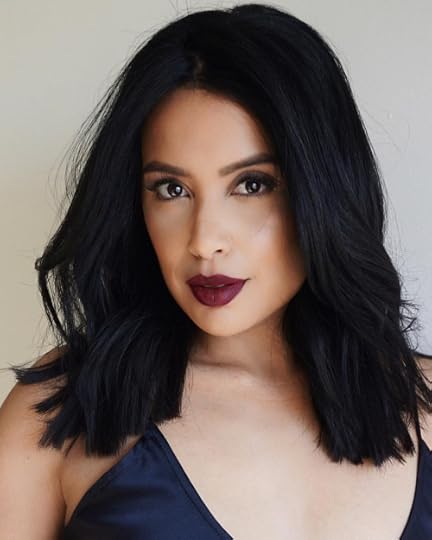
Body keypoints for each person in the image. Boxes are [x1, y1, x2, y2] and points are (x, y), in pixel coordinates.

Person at [1, 3, 431, 539]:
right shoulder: (61, 413)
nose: (205, 241)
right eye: (171, 189)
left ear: (323, 191)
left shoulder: (422, 401)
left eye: (252, 184)